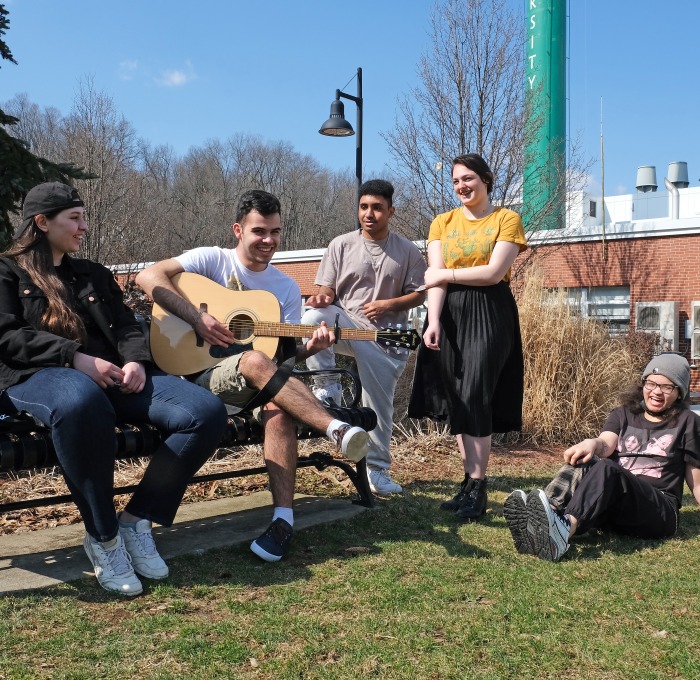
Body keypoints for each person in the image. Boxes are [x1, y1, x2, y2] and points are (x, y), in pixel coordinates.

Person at [0, 182, 228, 596]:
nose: (84, 226)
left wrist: (136, 361)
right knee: (80, 399)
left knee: (205, 412)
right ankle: (104, 538)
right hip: (38, 378)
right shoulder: (6, 272)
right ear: (42, 222)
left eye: (83, 216)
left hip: (114, 379)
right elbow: (7, 336)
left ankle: (136, 520)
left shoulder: (92, 274)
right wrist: (75, 357)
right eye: (75, 218)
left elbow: (125, 325)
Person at [136, 189, 370, 563]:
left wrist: (312, 346)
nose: (269, 241)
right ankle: (337, 430)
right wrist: (198, 318)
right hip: (196, 378)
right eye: (260, 231)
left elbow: (286, 357)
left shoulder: (285, 288)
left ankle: (282, 522)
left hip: (255, 386)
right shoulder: (211, 260)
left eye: (275, 232)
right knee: (255, 361)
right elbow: (147, 277)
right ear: (238, 230)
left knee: (278, 404)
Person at [408, 153, 527, 520]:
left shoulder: (506, 219)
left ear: (486, 179)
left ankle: (478, 483)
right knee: (456, 396)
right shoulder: (442, 222)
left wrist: (445, 277)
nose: (462, 186)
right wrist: (433, 320)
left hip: (490, 311)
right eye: (457, 181)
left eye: (469, 178)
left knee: (475, 392)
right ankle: (469, 483)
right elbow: (435, 275)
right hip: (450, 312)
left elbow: (493, 273)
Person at [504, 352, 700, 562]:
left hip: (659, 511)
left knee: (608, 468)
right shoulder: (623, 413)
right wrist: (591, 444)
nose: (656, 392)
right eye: (650, 383)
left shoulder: (688, 422)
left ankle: (563, 529)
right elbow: (606, 443)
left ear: (679, 392)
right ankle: (545, 518)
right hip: (615, 508)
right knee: (586, 459)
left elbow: (696, 479)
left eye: (667, 387)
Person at [301, 180, 426, 495]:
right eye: (364, 207)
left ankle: (378, 472)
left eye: (377, 208)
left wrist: (389, 304)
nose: (369, 214)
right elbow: (328, 289)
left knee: (378, 407)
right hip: (345, 324)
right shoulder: (340, 244)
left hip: (385, 338)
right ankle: (328, 389)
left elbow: (418, 295)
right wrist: (321, 297)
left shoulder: (408, 251)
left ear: (390, 211)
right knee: (314, 318)